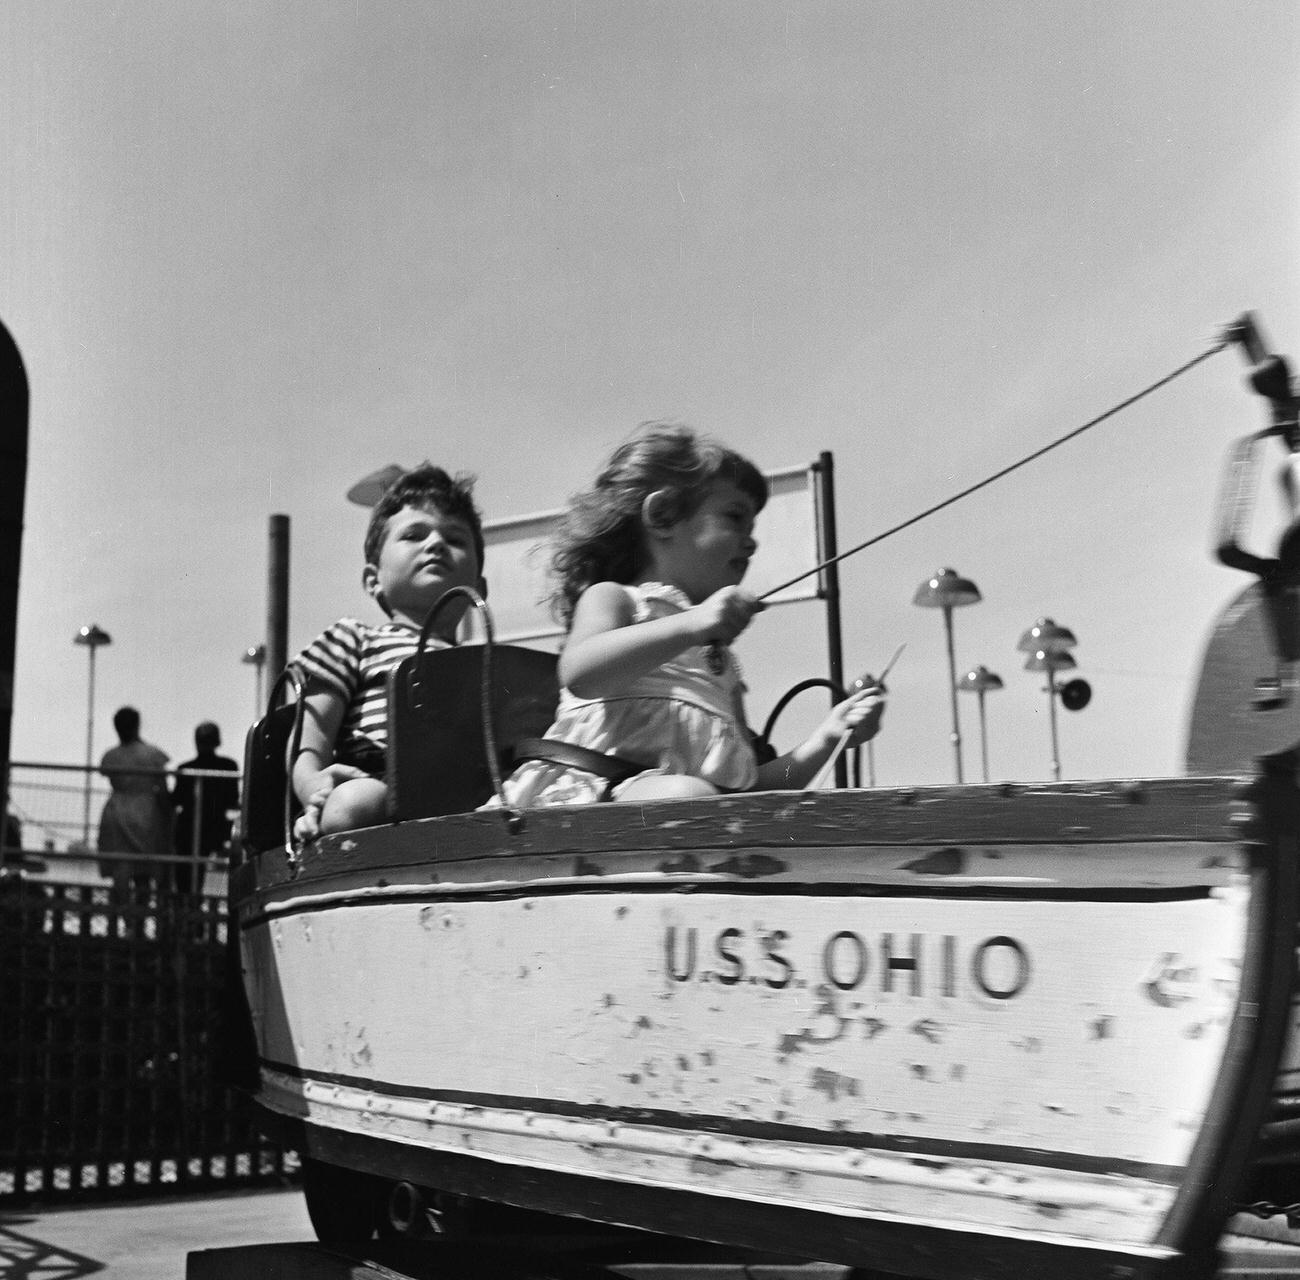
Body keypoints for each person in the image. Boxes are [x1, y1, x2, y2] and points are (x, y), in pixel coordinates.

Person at [496, 421, 884, 807]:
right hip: (597, 798)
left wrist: (828, 737)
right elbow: (581, 673)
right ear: (663, 515)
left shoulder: (721, 665)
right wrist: (691, 623)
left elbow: (745, 793)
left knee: (708, 803)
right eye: (735, 517)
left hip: (685, 819)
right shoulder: (617, 600)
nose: (752, 542)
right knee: (692, 798)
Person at [291, 463, 486, 839]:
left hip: (467, 796)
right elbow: (309, 740)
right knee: (352, 804)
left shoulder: (486, 664)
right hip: (379, 782)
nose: (436, 544)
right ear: (372, 580)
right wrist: (312, 786)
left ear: (480, 584)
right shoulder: (355, 640)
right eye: (414, 535)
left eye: (456, 539)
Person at [97, 706, 172, 904]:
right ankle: (139, 919)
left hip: (116, 810)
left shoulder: (111, 755)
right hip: (146, 812)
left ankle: (124, 918)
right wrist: (169, 817)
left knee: (119, 870)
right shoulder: (152, 754)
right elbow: (163, 790)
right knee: (144, 870)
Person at [172, 720, 240, 894]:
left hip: (190, 828)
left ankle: (187, 908)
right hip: (215, 827)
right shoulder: (228, 766)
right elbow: (232, 798)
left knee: (184, 875)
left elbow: (176, 800)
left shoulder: (186, 769)